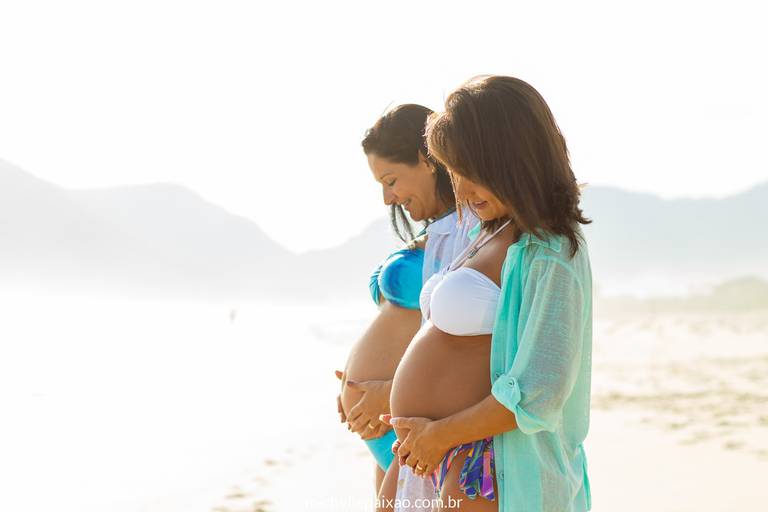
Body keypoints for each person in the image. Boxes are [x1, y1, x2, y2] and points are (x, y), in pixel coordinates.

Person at [381, 75, 593, 512]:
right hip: (437, 457)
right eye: (455, 171)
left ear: (515, 159)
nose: (462, 188)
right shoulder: (488, 232)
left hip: (494, 471)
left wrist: (439, 434)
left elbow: (541, 391)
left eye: (473, 171)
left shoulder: (551, 252)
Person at [335, 104, 476, 502]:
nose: (386, 198)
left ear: (426, 160)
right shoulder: (442, 231)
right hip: (386, 425)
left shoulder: (473, 233)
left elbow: (466, 344)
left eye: (392, 179)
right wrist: (353, 384)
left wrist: (391, 391)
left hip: (416, 419)